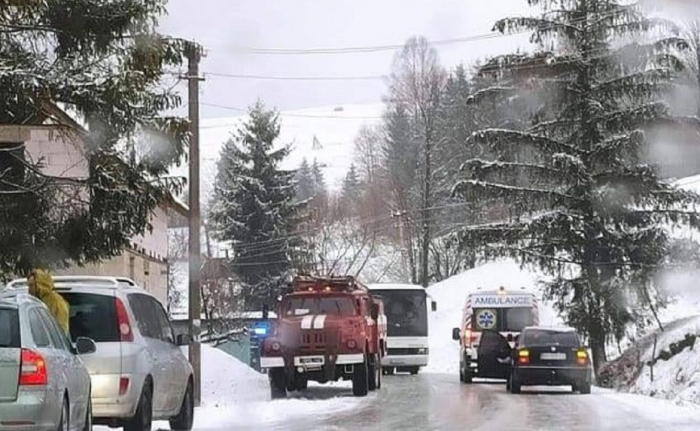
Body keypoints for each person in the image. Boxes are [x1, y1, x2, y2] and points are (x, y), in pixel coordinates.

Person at [28, 269, 70, 335]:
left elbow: (62, 331)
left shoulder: (58, 302)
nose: (29, 289)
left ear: (40, 285)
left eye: (31, 285)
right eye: (28, 286)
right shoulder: (31, 301)